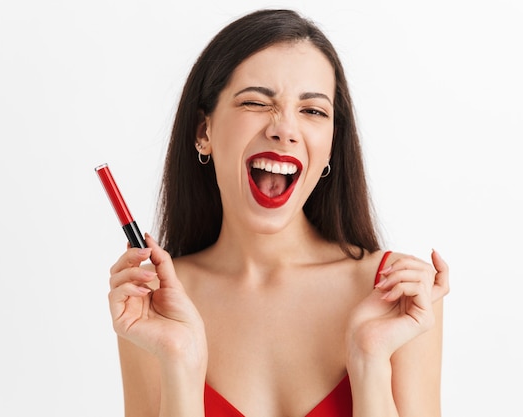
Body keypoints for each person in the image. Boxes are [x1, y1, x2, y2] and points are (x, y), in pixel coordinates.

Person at [107, 8, 450, 417]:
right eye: (255, 102)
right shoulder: (152, 302)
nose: (284, 128)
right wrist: (179, 360)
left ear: (330, 145)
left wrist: (369, 359)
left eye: (313, 111)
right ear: (204, 131)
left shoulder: (398, 295)